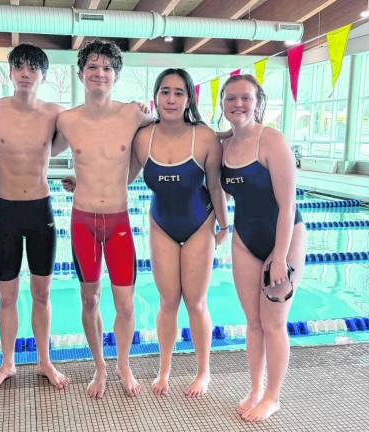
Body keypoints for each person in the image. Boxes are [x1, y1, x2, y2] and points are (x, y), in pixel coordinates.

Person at [58, 40, 152, 398]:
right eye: (93, 67)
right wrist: (75, 180)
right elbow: (33, 146)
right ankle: (99, 367)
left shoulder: (132, 114)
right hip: (83, 220)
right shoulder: (66, 120)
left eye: (107, 68)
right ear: (81, 73)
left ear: (116, 75)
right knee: (90, 300)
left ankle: (123, 363)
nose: (100, 73)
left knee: (126, 303)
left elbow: (167, 133)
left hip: (119, 221)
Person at [128, 68, 229, 397]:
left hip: (200, 224)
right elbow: (121, 176)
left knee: (196, 302)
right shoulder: (143, 137)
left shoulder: (205, 136)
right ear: (155, 96)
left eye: (179, 92)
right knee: (168, 301)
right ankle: (164, 368)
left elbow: (215, 186)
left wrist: (224, 226)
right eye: (165, 92)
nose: (171, 99)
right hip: (161, 225)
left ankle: (204, 372)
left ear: (189, 99)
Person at [0, 43, 69, 393]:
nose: (26, 73)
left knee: (42, 294)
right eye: (20, 66)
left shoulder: (53, 114)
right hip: (6, 211)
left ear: (43, 75)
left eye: (34, 67)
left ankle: (44, 360)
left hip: (40, 209)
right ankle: (7, 363)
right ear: (10, 72)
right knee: (6, 297)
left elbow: (85, 133)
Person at [219, 74, 306, 422]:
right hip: (245, 240)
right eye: (231, 99)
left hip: (285, 238)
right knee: (252, 323)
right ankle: (255, 387)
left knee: (274, 323)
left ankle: (273, 396)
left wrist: (280, 257)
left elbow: (288, 205)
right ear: (223, 104)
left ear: (258, 102)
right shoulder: (223, 144)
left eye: (245, 98)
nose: (238, 104)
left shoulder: (272, 140)